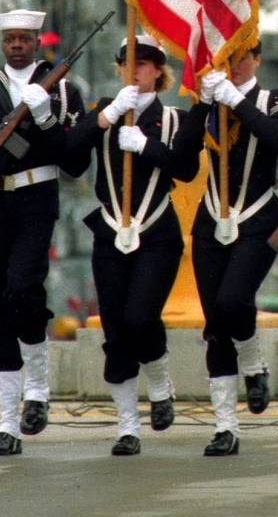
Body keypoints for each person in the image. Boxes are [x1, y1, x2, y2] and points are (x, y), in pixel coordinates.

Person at [0, 8, 89, 457]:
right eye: (11, 40)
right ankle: (7, 424)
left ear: (38, 41)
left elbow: (75, 162)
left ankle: (38, 392)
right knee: (0, 307)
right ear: (3, 43)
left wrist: (46, 121)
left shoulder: (63, 92)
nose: (18, 46)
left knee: (25, 288)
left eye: (25, 38)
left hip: (36, 202)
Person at [70, 34, 201, 456]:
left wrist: (147, 146)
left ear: (159, 70)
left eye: (144, 64)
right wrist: (105, 117)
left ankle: (160, 381)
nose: (135, 70)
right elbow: (70, 152)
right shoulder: (105, 113)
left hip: (157, 232)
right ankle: (128, 427)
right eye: (128, 63)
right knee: (115, 331)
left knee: (141, 317)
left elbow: (184, 167)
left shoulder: (175, 120)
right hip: (111, 231)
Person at [180, 42, 278, 456]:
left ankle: (253, 359)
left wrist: (236, 101)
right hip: (211, 219)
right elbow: (182, 159)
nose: (236, 64)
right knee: (215, 325)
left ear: (258, 58)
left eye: (243, 56)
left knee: (233, 299)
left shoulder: (275, 100)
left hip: (259, 217)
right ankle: (225, 426)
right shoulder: (211, 102)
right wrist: (201, 104)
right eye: (228, 57)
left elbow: (277, 136)